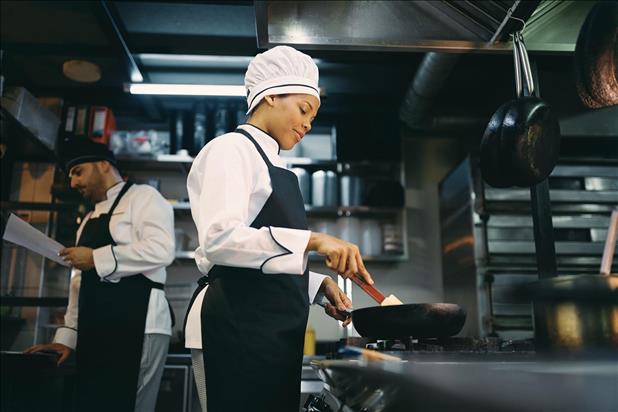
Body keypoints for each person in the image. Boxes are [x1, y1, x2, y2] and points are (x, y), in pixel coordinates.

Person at [184, 45, 374, 412]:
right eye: (304, 109)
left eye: (313, 117)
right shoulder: (231, 150)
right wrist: (314, 240)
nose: (307, 124)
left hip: (268, 333)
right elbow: (221, 240)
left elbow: (261, 257)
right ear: (270, 95)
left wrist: (318, 285)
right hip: (233, 327)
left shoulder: (277, 169)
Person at [25, 139, 175, 412]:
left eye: (78, 172)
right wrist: (66, 339)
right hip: (97, 330)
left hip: (140, 323)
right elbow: (78, 283)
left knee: (130, 404)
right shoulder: (89, 218)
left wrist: (95, 258)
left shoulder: (144, 197)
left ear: (104, 165)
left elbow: (162, 250)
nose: (72, 183)